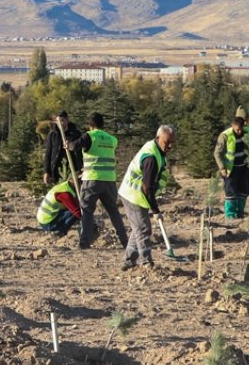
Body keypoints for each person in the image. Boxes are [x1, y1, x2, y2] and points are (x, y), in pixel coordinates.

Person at [118, 125, 176, 270]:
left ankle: (128, 261)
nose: (170, 145)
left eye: (172, 142)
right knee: (143, 229)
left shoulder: (156, 150)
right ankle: (146, 262)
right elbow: (147, 188)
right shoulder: (151, 157)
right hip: (133, 195)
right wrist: (155, 210)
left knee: (138, 228)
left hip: (137, 195)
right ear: (158, 138)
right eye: (167, 142)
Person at [69, 113, 129, 249]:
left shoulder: (89, 136)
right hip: (109, 180)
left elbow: (74, 147)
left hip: (92, 179)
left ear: (90, 125)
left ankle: (84, 242)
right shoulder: (112, 139)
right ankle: (125, 241)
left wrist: (68, 144)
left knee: (87, 211)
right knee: (113, 211)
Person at [214, 116, 249, 220]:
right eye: (237, 129)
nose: (239, 131)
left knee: (243, 190)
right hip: (230, 169)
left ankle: (240, 213)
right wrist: (222, 168)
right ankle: (230, 215)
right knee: (231, 192)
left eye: (241, 129)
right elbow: (217, 153)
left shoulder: (248, 132)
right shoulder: (225, 136)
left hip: (244, 167)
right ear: (232, 126)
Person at [42, 111, 82, 186]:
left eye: (63, 120)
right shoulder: (53, 135)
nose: (61, 123)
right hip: (57, 171)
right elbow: (48, 154)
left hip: (72, 171)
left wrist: (81, 169)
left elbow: (81, 153)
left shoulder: (75, 134)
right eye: (59, 121)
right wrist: (46, 172)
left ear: (67, 120)